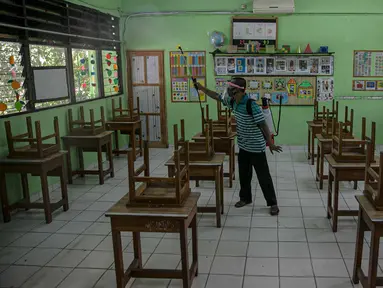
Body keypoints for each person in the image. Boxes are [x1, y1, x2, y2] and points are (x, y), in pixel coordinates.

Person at [196, 77, 282, 215]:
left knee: (263, 176)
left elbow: (263, 125)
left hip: (256, 147)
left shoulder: (251, 105)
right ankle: (245, 198)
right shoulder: (233, 102)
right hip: (243, 146)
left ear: (241, 91)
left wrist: (270, 144)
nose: (230, 92)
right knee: (244, 175)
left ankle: (273, 203)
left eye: (233, 90)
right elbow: (216, 96)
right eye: (229, 89)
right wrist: (201, 88)